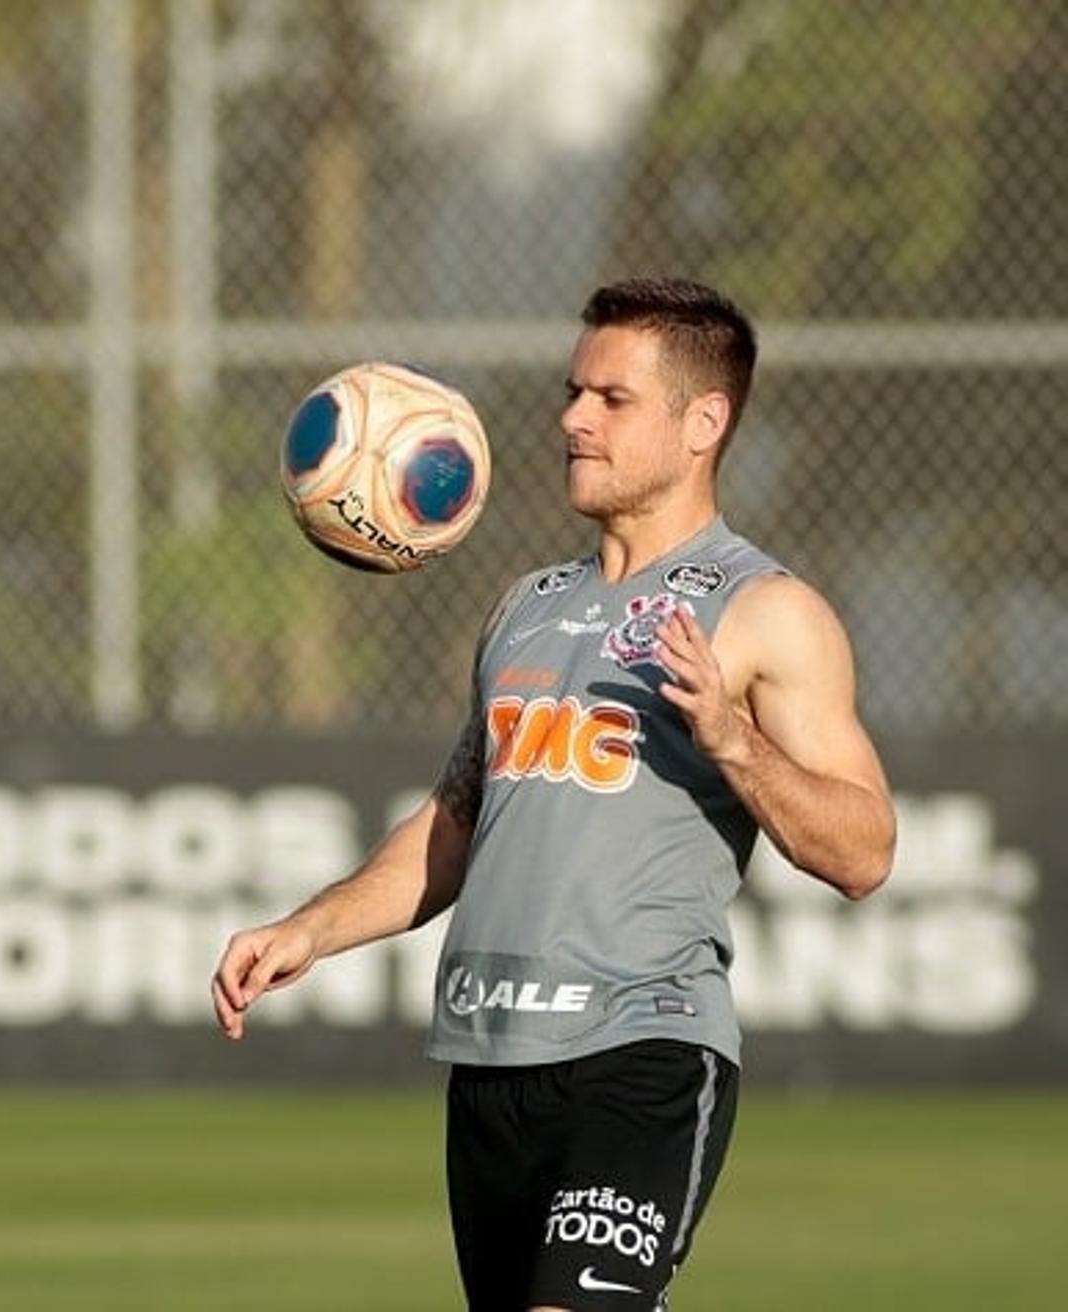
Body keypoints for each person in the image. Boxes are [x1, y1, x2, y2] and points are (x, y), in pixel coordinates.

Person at [212, 276, 896, 1311]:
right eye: (574, 391)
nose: (573, 419)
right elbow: (457, 819)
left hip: (643, 1053)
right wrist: (313, 928)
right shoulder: (526, 606)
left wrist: (732, 740)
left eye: (611, 399)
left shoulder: (769, 610)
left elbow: (865, 851)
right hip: (490, 1063)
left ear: (702, 421)